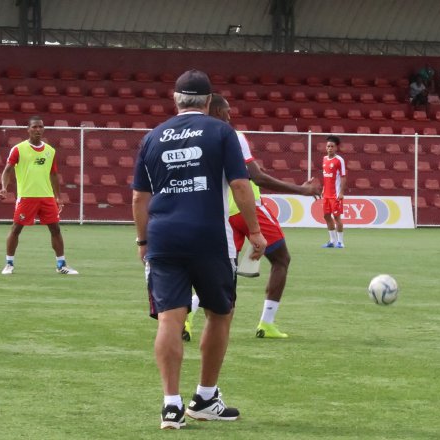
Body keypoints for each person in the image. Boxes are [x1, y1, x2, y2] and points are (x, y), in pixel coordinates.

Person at [132, 69, 266, 429]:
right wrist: (254, 231)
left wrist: (143, 241)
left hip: (163, 238)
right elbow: (240, 186)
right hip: (209, 238)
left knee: (169, 319)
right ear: (208, 101)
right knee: (220, 314)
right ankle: (205, 397)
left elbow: (139, 198)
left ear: (175, 99)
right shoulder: (224, 132)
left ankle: (171, 405)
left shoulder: (152, 137)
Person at [198, 93, 321, 340]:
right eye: (228, 111)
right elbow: (257, 177)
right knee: (281, 259)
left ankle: (187, 318)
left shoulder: (199, 137)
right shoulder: (233, 135)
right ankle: (267, 323)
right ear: (219, 112)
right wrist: (303, 190)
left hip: (219, 213)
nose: (231, 115)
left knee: (222, 273)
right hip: (247, 208)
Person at [0, 115, 78, 275]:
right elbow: (8, 170)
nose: (38, 130)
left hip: (47, 197)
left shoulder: (50, 151)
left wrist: (58, 196)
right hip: (27, 197)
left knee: (56, 229)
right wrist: (4, 188)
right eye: (34, 127)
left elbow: (54, 175)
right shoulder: (18, 149)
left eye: (40, 127)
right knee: (16, 229)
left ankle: (61, 264)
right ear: (28, 129)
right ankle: (9, 264)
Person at [321, 135, 347, 249]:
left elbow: (343, 177)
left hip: (335, 195)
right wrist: (323, 189)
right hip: (326, 194)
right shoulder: (324, 159)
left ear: (336, 148)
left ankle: (340, 242)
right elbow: (325, 176)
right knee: (326, 216)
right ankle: (332, 241)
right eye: (328, 146)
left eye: (332, 146)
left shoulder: (339, 160)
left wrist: (341, 192)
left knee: (337, 217)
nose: (329, 148)